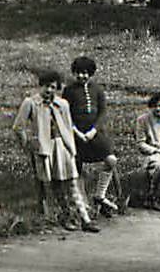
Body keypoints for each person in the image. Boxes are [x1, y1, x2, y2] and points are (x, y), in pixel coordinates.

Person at [12, 70, 101, 233]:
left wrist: (71, 148)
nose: (49, 90)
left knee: (72, 183)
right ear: (41, 86)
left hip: (63, 146)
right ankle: (66, 216)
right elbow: (18, 127)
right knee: (55, 185)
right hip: (45, 148)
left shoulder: (62, 104)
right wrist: (29, 143)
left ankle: (85, 219)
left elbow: (67, 127)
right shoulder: (31, 103)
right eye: (46, 86)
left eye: (53, 87)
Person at [65, 55, 122, 217]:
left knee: (111, 159)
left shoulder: (97, 89)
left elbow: (103, 113)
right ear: (74, 73)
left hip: (95, 134)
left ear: (91, 74)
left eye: (86, 73)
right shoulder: (69, 91)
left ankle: (100, 195)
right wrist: (76, 131)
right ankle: (82, 204)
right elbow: (66, 114)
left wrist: (93, 131)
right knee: (76, 167)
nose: (82, 76)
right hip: (76, 135)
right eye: (78, 73)